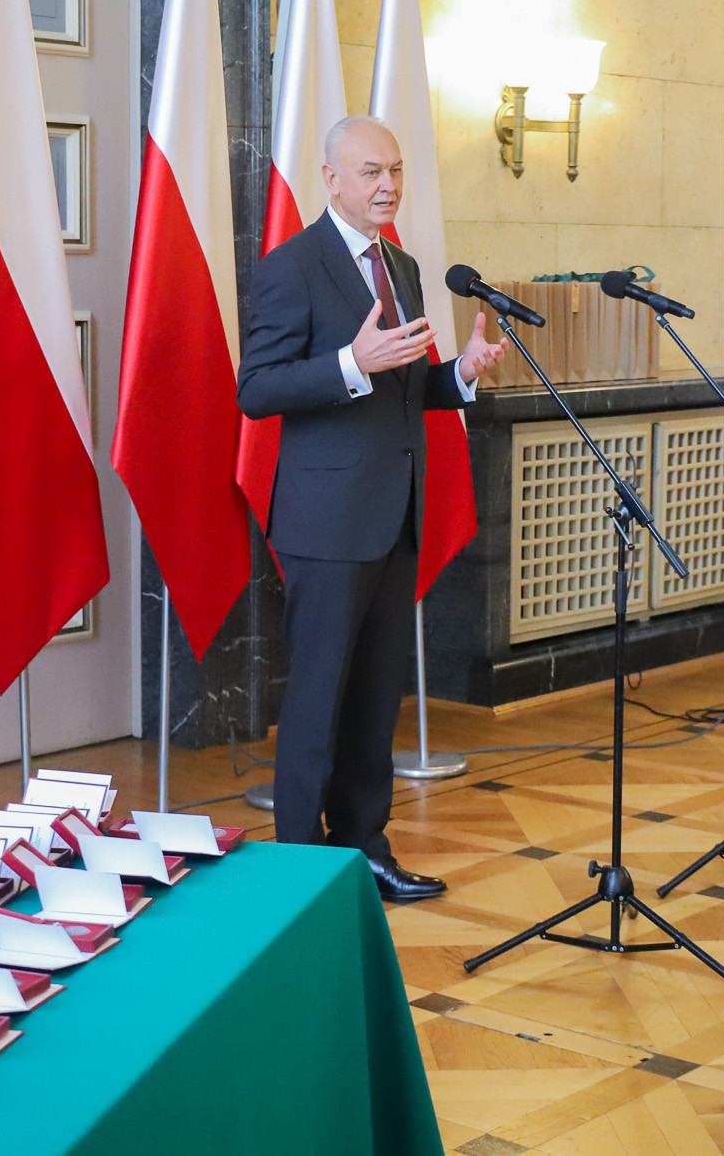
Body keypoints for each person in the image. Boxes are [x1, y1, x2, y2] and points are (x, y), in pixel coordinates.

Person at [236, 114, 508, 902]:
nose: (388, 185)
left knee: (375, 697)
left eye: (395, 171)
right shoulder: (293, 266)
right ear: (331, 179)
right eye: (370, 172)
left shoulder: (403, 265)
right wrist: (348, 362)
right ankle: (298, 872)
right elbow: (257, 389)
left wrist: (461, 374)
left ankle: (365, 847)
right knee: (317, 698)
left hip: (395, 515)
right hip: (326, 522)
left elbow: (407, 387)